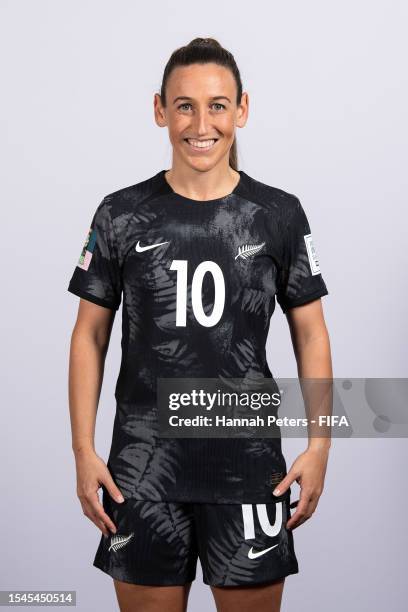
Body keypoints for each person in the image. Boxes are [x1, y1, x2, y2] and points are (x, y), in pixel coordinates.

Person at [68, 37, 332, 612]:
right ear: (160, 109)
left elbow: (311, 333)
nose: (200, 122)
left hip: (249, 469)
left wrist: (320, 443)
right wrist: (83, 449)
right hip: (142, 471)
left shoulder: (279, 214)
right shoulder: (120, 213)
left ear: (242, 109)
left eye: (217, 105)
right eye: (185, 105)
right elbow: (89, 334)